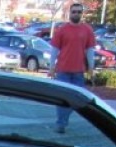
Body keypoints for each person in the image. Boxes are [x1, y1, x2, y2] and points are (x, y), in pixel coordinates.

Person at [49, 3, 96, 133]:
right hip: (63, 70)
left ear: (82, 14)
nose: (76, 14)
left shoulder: (87, 30)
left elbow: (90, 50)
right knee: (62, 99)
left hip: (78, 71)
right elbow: (54, 50)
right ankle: (61, 124)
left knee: (76, 100)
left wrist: (91, 68)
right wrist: (52, 67)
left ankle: (63, 121)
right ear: (70, 13)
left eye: (79, 12)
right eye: (74, 12)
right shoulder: (62, 30)